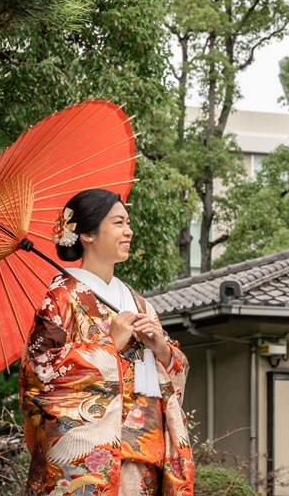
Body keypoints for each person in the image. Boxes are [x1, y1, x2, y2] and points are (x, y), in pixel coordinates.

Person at [20, 189, 194, 496]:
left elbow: (174, 370)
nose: (129, 231)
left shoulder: (138, 303)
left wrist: (162, 350)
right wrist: (107, 344)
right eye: (118, 223)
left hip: (145, 461)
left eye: (128, 222)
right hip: (88, 463)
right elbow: (40, 375)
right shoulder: (62, 297)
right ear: (87, 233)